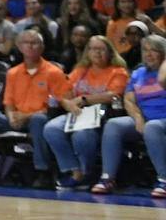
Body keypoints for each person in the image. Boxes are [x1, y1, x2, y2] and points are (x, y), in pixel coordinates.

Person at [0, 28, 69, 188]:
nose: (31, 46)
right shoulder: (12, 73)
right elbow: (8, 102)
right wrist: (10, 116)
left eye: (35, 43)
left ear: (42, 47)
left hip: (41, 118)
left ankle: (42, 172)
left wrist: (26, 117)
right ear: (19, 46)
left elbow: (58, 105)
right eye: (26, 43)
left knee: (39, 120)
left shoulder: (54, 72)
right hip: (17, 118)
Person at [43, 34, 128, 190]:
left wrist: (85, 99)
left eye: (101, 49)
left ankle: (86, 172)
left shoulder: (118, 71)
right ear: (87, 52)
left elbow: (113, 95)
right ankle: (75, 171)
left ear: (110, 52)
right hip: (77, 113)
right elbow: (64, 92)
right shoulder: (81, 70)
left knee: (81, 135)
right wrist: (68, 104)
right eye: (93, 49)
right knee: (51, 128)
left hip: (102, 114)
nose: (97, 53)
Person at [97, 34, 166, 196]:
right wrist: (137, 117)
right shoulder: (138, 73)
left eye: (154, 51)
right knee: (114, 125)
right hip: (144, 118)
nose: (148, 54)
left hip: (161, 119)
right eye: (145, 50)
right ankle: (108, 178)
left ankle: (163, 179)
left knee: (152, 127)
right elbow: (129, 100)